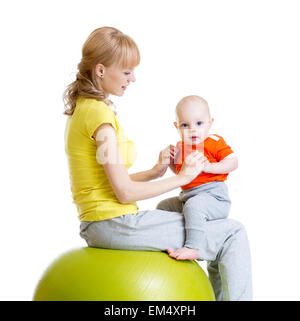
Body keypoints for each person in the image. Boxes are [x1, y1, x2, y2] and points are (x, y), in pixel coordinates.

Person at [63, 26, 252, 301]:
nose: (133, 78)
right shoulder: (100, 119)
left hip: (101, 223)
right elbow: (124, 193)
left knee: (190, 218)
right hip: (113, 224)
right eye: (127, 71)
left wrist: (155, 172)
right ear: (101, 70)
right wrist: (181, 178)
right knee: (233, 233)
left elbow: (109, 181)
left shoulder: (83, 110)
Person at [159, 95, 238, 261]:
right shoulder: (180, 146)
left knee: (195, 206)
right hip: (187, 197)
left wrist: (209, 167)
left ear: (210, 123)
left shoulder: (214, 142)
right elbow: (180, 174)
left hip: (214, 198)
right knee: (163, 205)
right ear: (177, 127)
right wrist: (169, 162)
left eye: (199, 123)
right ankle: (164, 239)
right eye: (185, 125)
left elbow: (233, 162)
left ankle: (192, 247)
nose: (192, 129)